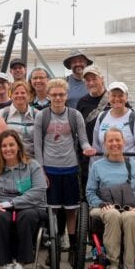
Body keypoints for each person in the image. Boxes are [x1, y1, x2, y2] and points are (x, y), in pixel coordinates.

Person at [33, 78, 96, 252]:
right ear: (48, 96)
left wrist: (88, 149)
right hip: (50, 169)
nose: (58, 98)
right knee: (52, 209)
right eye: (54, 95)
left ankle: (73, 244)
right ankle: (55, 242)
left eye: (61, 94)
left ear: (66, 95)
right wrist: (41, 170)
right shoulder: (42, 116)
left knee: (71, 209)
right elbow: (37, 146)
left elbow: (83, 140)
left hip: (70, 168)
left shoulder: (74, 115)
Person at [0, 129, 47, 269]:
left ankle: (21, 264)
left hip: (30, 207)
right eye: (4, 146)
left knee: (26, 216)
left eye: (11, 145)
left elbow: (39, 190)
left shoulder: (32, 166)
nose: (8, 149)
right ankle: (7, 263)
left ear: (18, 147)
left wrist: (10, 203)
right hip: (0, 210)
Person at [86, 128, 135, 269]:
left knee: (131, 217)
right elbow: (89, 193)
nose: (114, 144)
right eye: (110, 141)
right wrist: (101, 204)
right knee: (113, 214)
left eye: (117, 140)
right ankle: (113, 266)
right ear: (104, 144)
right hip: (104, 208)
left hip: (130, 207)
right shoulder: (97, 166)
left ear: (124, 142)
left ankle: (129, 268)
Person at [91, 81, 135, 166]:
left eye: (121, 95)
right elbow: (96, 148)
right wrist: (94, 173)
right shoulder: (101, 117)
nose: (117, 99)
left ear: (126, 97)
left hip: (128, 174)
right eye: (113, 95)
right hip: (105, 172)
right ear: (108, 97)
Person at [0, 80, 36, 156]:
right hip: (10, 158)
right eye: (16, 93)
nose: (19, 95)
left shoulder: (36, 114)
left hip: (32, 159)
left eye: (23, 93)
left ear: (28, 95)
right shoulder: (3, 113)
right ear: (11, 95)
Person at [76, 65, 107, 143]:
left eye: (94, 79)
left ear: (102, 79)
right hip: (88, 150)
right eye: (87, 80)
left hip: (111, 149)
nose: (91, 83)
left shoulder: (114, 98)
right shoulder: (82, 102)